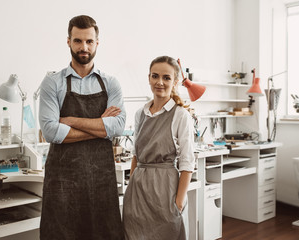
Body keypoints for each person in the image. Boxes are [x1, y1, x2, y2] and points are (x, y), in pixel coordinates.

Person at [39, 15, 126, 240]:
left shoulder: (111, 83)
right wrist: (100, 127)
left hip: (101, 180)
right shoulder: (52, 83)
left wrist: (70, 120)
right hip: (62, 183)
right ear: (68, 41)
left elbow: (116, 127)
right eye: (78, 41)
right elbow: (50, 132)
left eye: (89, 41)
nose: (83, 47)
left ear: (97, 43)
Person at [122, 56, 195, 240]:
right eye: (155, 76)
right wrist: (131, 187)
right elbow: (136, 156)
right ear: (149, 78)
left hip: (165, 191)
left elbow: (187, 164)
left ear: (175, 82)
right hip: (137, 194)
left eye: (166, 78)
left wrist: (178, 203)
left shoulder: (180, 115)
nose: (160, 82)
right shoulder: (140, 113)